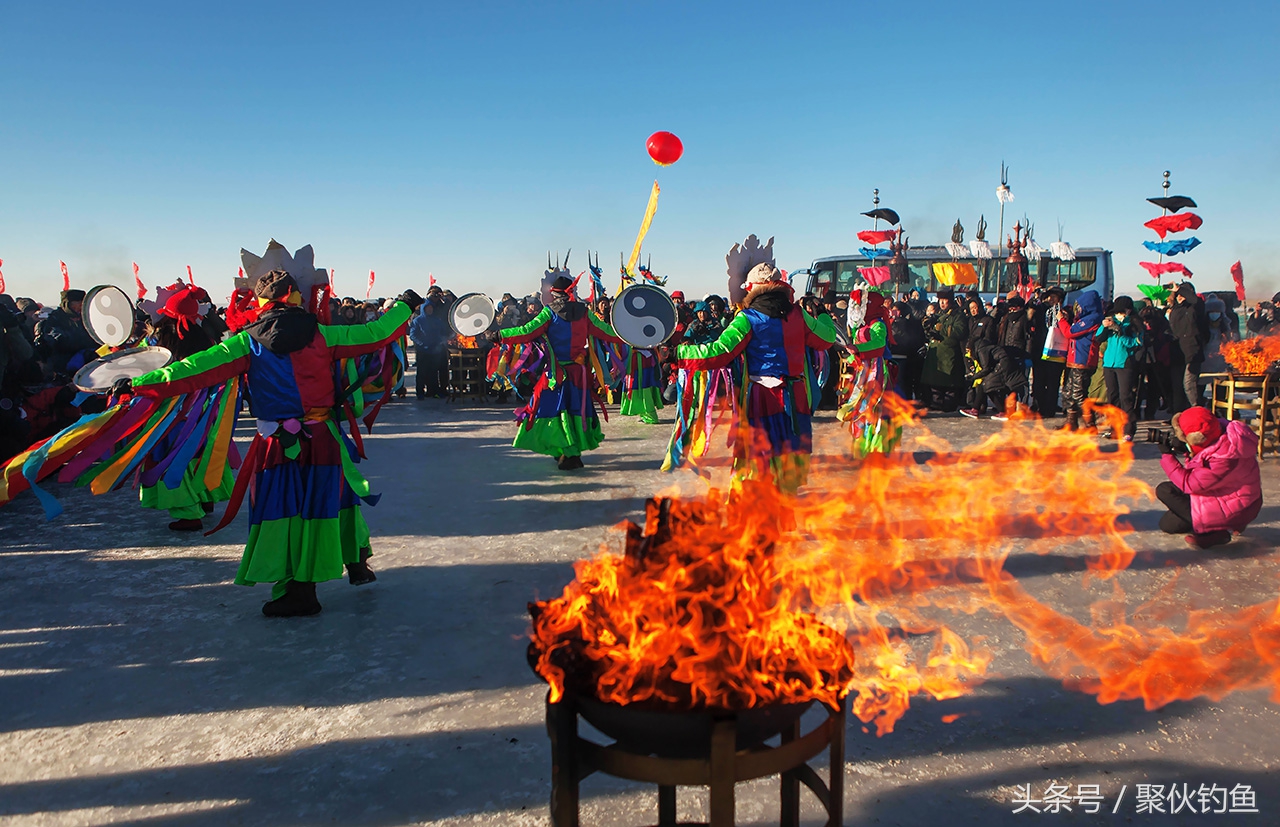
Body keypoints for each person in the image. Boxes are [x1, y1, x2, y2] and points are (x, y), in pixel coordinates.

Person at [117, 272, 417, 616]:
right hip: (322, 438)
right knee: (330, 501)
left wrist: (138, 384)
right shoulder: (323, 335)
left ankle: (300, 591)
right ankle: (355, 560)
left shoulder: (246, 343)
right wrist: (405, 306)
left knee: (284, 514)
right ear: (296, 298)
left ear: (259, 302)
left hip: (278, 443)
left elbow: (191, 369)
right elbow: (376, 333)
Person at [671, 261, 836, 493]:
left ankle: (761, 515)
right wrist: (821, 313)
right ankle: (783, 512)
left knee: (759, 460)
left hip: (763, 398)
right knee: (789, 458)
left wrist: (680, 352)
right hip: (796, 396)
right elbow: (827, 338)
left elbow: (719, 352)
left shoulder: (748, 318)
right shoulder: (799, 315)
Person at [497, 276, 625, 470]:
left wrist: (500, 335)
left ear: (554, 294)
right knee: (575, 411)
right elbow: (607, 332)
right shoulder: (585, 313)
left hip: (557, 374)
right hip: (578, 373)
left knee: (551, 409)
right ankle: (565, 451)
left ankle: (569, 454)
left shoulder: (549, 313)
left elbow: (527, 331)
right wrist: (633, 336)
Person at [138, 286, 234, 530]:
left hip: (174, 410)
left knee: (173, 456)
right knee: (199, 451)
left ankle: (189, 512)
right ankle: (206, 497)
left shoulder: (162, 341)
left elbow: (154, 373)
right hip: (202, 408)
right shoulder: (204, 337)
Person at [1157, 407, 1262, 548]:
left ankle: (1217, 533)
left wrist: (1167, 455)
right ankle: (1216, 523)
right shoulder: (1220, 434)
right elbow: (1201, 472)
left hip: (1237, 507)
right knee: (1168, 524)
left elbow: (1189, 484)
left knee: (1165, 490)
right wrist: (1189, 450)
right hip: (1229, 497)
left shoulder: (1224, 457)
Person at [837, 290, 901, 455]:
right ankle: (862, 447)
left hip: (877, 372)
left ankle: (878, 448)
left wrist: (858, 348)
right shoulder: (863, 324)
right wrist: (853, 356)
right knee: (861, 408)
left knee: (875, 407)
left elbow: (879, 344)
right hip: (864, 371)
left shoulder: (877, 324)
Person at [1096, 296, 1144, 441]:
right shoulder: (1111, 321)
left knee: (1126, 397)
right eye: (1118, 312)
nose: (1120, 315)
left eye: (1122, 312)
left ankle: (1128, 429)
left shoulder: (1135, 324)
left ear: (1129, 311)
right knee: (1113, 396)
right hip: (1109, 363)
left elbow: (1135, 343)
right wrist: (1104, 327)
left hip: (1125, 364)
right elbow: (1098, 338)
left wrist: (1120, 332)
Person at [1059, 291, 1102, 431]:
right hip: (1074, 359)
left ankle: (1090, 423)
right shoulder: (1084, 318)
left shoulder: (1092, 318)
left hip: (1083, 360)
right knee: (1068, 392)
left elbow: (1070, 332)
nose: (1078, 309)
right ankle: (1071, 422)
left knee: (1078, 394)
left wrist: (1061, 320)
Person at [920, 289, 967, 412]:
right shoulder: (939, 314)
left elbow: (960, 331)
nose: (942, 303)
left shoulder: (958, 315)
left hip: (949, 353)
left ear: (951, 301)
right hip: (936, 353)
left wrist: (943, 328)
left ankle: (949, 405)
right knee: (934, 382)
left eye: (945, 301)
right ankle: (935, 402)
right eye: (940, 301)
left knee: (950, 383)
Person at [34, 289, 97, 378]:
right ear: (67, 304)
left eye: (82, 302)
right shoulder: (53, 321)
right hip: (63, 366)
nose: (80, 306)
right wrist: (85, 343)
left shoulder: (88, 320)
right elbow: (60, 340)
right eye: (76, 302)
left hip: (90, 364)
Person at [1168, 282, 1208, 411]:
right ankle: (1178, 414)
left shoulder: (1195, 307)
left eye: (1182, 294)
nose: (1180, 296)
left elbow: (1195, 300)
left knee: (1189, 384)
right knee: (1177, 386)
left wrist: (1180, 288)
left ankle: (1197, 412)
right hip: (1177, 350)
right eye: (1178, 294)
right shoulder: (1175, 309)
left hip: (1192, 350)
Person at [409, 301, 450, 398]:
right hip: (423, 350)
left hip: (435, 350)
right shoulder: (417, 321)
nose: (430, 310)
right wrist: (421, 343)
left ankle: (433, 391)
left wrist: (442, 340)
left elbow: (443, 332)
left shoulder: (437, 320)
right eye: (428, 308)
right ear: (424, 309)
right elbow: (413, 335)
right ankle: (420, 392)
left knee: (434, 372)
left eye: (431, 308)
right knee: (422, 372)